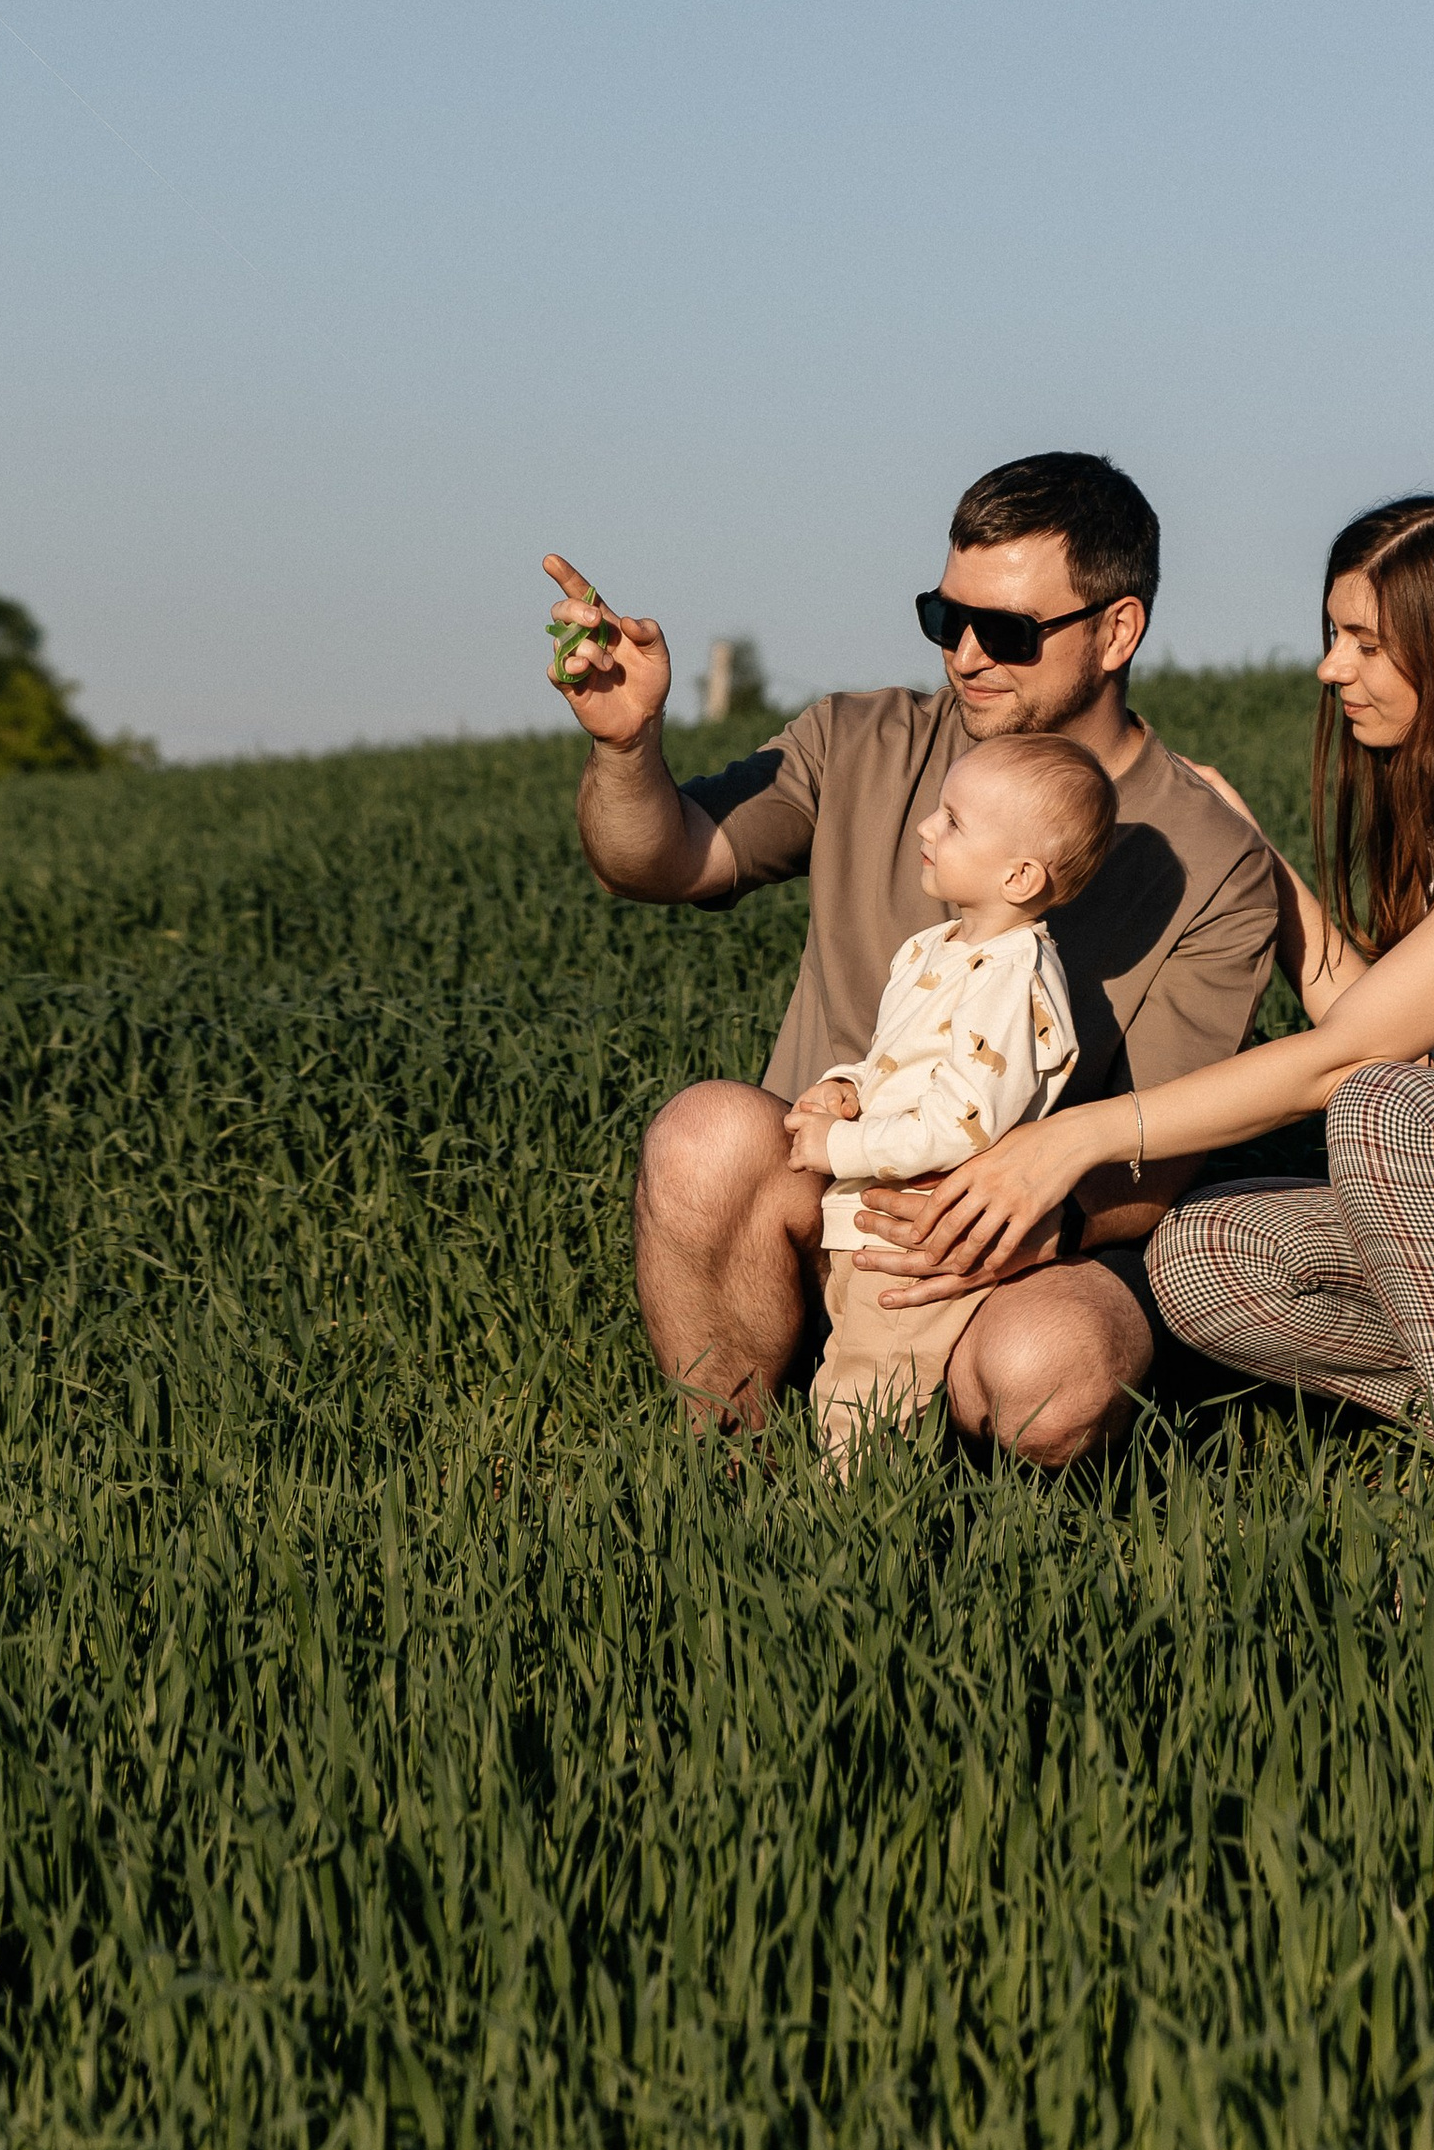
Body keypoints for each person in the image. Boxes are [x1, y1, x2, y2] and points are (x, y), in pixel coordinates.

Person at [888, 495, 1434, 1537]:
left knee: (1381, 1104)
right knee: (1199, 1257)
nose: (1332, 668)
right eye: (1333, 634)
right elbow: (1393, 1024)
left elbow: (1360, 1058)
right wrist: (1266, 867)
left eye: (1366, 643)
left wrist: (1076, 1139)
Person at [544, 448, 1279, 1466]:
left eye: (1010, 632)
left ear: (1117, 631)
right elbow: (665, 860)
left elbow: (1161, 1157)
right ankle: (728, 1468)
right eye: (947, 618)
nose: (968, 654)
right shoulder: (859, 741)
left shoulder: (1209, 862)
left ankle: (967, 1524)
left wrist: (1031, 1229)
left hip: (1018, 1247)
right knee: (703, 1135)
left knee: (1057, 1359)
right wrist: (627, 748)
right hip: (822, 1186)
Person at [785, 732, 1112, 1464]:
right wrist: (850, 1087)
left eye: (955, 820)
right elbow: (902, 1063)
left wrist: (838, 1147)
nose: (929, 828)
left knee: (869, 1394)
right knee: (851, 1368)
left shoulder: (1012, 976)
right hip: (873, 1217)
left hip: (922, 1228)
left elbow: (962, 1122)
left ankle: (852, 1529)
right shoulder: (934, 948)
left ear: (1021, 875)